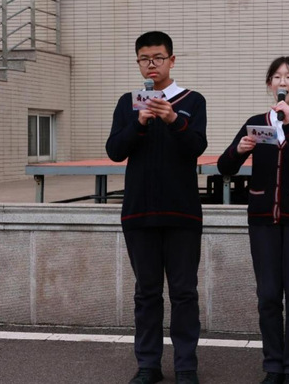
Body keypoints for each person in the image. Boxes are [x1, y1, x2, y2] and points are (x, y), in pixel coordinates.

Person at [217, 56, 289, 384]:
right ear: (269, 85)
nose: (283, 82)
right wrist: (239, 150)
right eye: (277, 77)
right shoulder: (256, 123)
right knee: (267, 297)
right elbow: (224, 167)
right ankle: (273, 367)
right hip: (263, 220)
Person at [106, 31, 207, 384]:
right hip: (139, 213)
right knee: (147, 293)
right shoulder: (128, 103)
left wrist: (172, 118)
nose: (152, 65)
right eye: (145, 59)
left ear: (171, 61)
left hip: (182, 214)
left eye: (158, 58)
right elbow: (115, 150)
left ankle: (186, 367)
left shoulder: (193, 101)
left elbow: (196, 146)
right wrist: (140, 122)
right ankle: (148, 365)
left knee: (184, 293)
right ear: (138, 62)